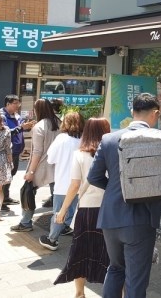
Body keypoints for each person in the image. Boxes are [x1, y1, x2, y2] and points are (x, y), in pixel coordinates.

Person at [88, 92, 161, 297]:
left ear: (133, 112)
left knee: (115, 269)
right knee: (136, 280)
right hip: (142, 219)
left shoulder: (109, 139)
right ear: (155, 114)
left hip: (111, 217)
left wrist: (118, 188)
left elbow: (93, 177)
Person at [54, 117, 112, 296]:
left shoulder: (79, 154)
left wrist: (63, 210)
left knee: (81, 252)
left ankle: (80, 293)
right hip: (109, 210)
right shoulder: (113, 152)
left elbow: (74, 185)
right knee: (111, 254)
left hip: (87, 210)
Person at [10, 99, 61, 232]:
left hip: (42, 166)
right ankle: (61, 226)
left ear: (38, 110)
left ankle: (26, 222)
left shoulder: (39, 126)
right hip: (58, 166)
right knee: (58, 197)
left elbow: (37, 152)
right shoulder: (59, 123)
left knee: (27, 191)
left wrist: (31, 172)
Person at [39, 111, 85, 251]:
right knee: (73, 210)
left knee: (59, 211)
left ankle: (52, 239)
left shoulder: (61, 138)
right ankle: (66, 228)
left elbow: (51, 159)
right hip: (80, 184)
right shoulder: (84, 140)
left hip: (63, 183)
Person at [0, 94, 35, 209]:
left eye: (18, 103)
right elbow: (5, 133)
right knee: (5, 176)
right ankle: (0, 201)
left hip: (16, 150)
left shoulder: (16, 115)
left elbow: (20, 129)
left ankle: (5, 197)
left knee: (11, 174)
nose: (18, 106)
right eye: (15, 103)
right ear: (8, 104)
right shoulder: (1, 116)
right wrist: (21, 127)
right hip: (6, 151)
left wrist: (27, 126)